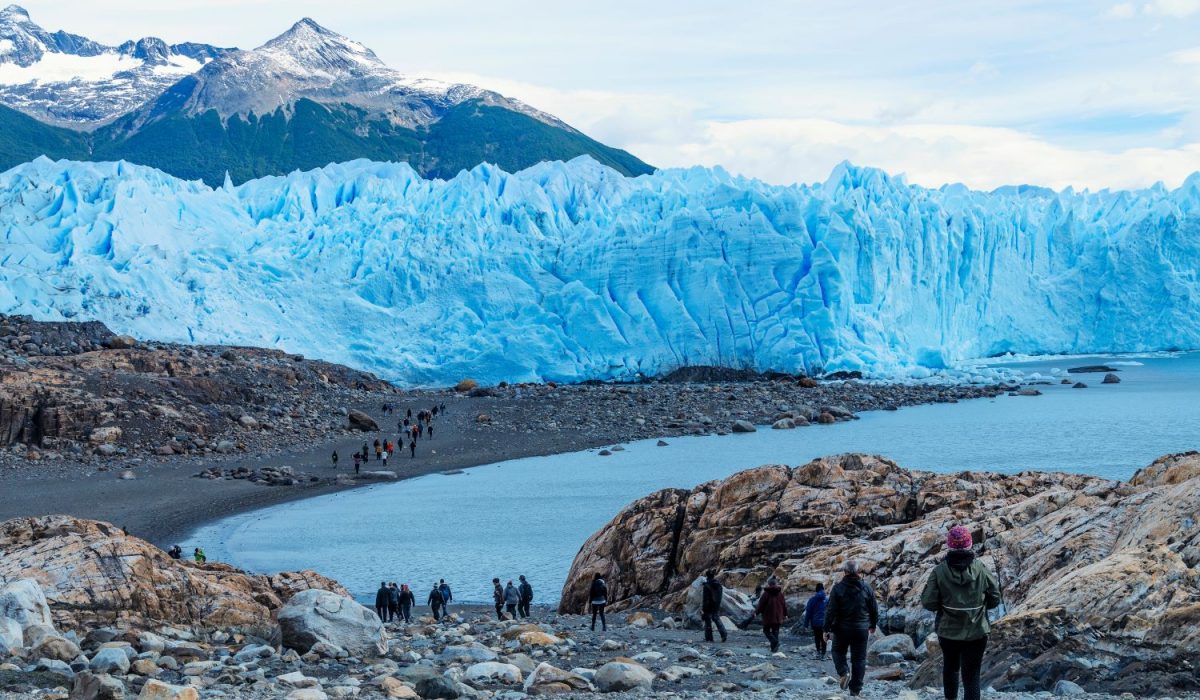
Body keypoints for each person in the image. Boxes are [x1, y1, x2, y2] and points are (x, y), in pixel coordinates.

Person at [921, 526, 1001, 700]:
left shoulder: (939, 571)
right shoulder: (981, 568)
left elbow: (928, 602)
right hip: (978, 630)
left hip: (948, 631)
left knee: (950, 668)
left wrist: (944, 605)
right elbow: (995, 598)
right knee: (972, 675)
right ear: (970, 544)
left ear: (949, 545)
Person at [825, 560, 878, 697]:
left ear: (845, 572)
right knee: (859, 659)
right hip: (861, 628)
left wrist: (826, 629)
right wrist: (873, 625)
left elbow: (831, 610)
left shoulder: (837, 588)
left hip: (842, 628)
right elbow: (874, 609)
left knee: (837, 651)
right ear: (858, 572)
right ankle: (855, 690)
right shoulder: (867, 588)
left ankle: (844, 672)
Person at [753, 575, 786, 652]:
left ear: (769, 584)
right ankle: (774, 648)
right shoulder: (780, 594)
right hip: (778, 616)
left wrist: (756, 613)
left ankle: (774, 643)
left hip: (768, 617)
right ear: (775, 584)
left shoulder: (766, 593)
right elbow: (784, 605)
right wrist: (785, 614)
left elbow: (761, 605)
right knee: (775, 631)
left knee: (766, 631)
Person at [701, 569, 728, 643]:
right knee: (716, 618)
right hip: (716, 605)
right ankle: (724, 634)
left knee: (707, 621)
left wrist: (704, 609)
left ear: (707, 576)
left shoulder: (707, 586)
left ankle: (709, 638)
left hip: (708, 606)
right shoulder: (718, 585)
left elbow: (705, 599)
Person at [804, 583, 829, 658]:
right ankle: (823, 653)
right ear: (823, 589)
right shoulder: (827, 599)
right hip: (824, 622)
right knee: (824, 637)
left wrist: (806, 625)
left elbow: (808, 613)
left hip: (815, 623)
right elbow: (831, 611)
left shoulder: (812, 600)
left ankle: (818, 652)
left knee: (817, 637)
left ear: (816, 590)